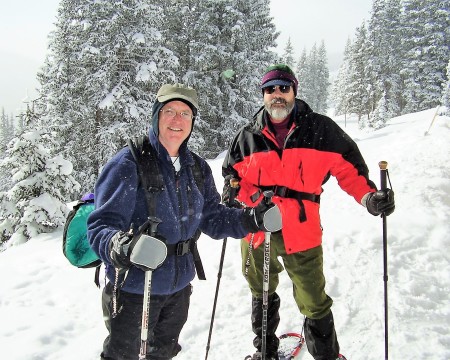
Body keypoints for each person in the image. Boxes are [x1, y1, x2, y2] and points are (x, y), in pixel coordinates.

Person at [87, 83, 278, 360]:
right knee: (123, 355)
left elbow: (213, 218)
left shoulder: (197, 167)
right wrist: (123, 246)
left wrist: (251, 219)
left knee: (163, 353)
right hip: (135, 289)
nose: (177, 120)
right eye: (169, 111)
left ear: (192, 121)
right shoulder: (128, 163)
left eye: (185, 113)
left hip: (178, 289)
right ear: (156, 116)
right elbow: (100, 225)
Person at [222, 64, 395, 360]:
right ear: (263, 95)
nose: (277, 95)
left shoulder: (320, 129)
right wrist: (245, 196)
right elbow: (232, 178)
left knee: (314, 299)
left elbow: (349, 170)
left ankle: (326, 355)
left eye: (283, 88)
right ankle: (266, 352)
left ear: (294, 91)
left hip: (301, 232)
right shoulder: (246, 136)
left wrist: (369, 197)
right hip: (257, 230)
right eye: (270, 89)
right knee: (261, 293)